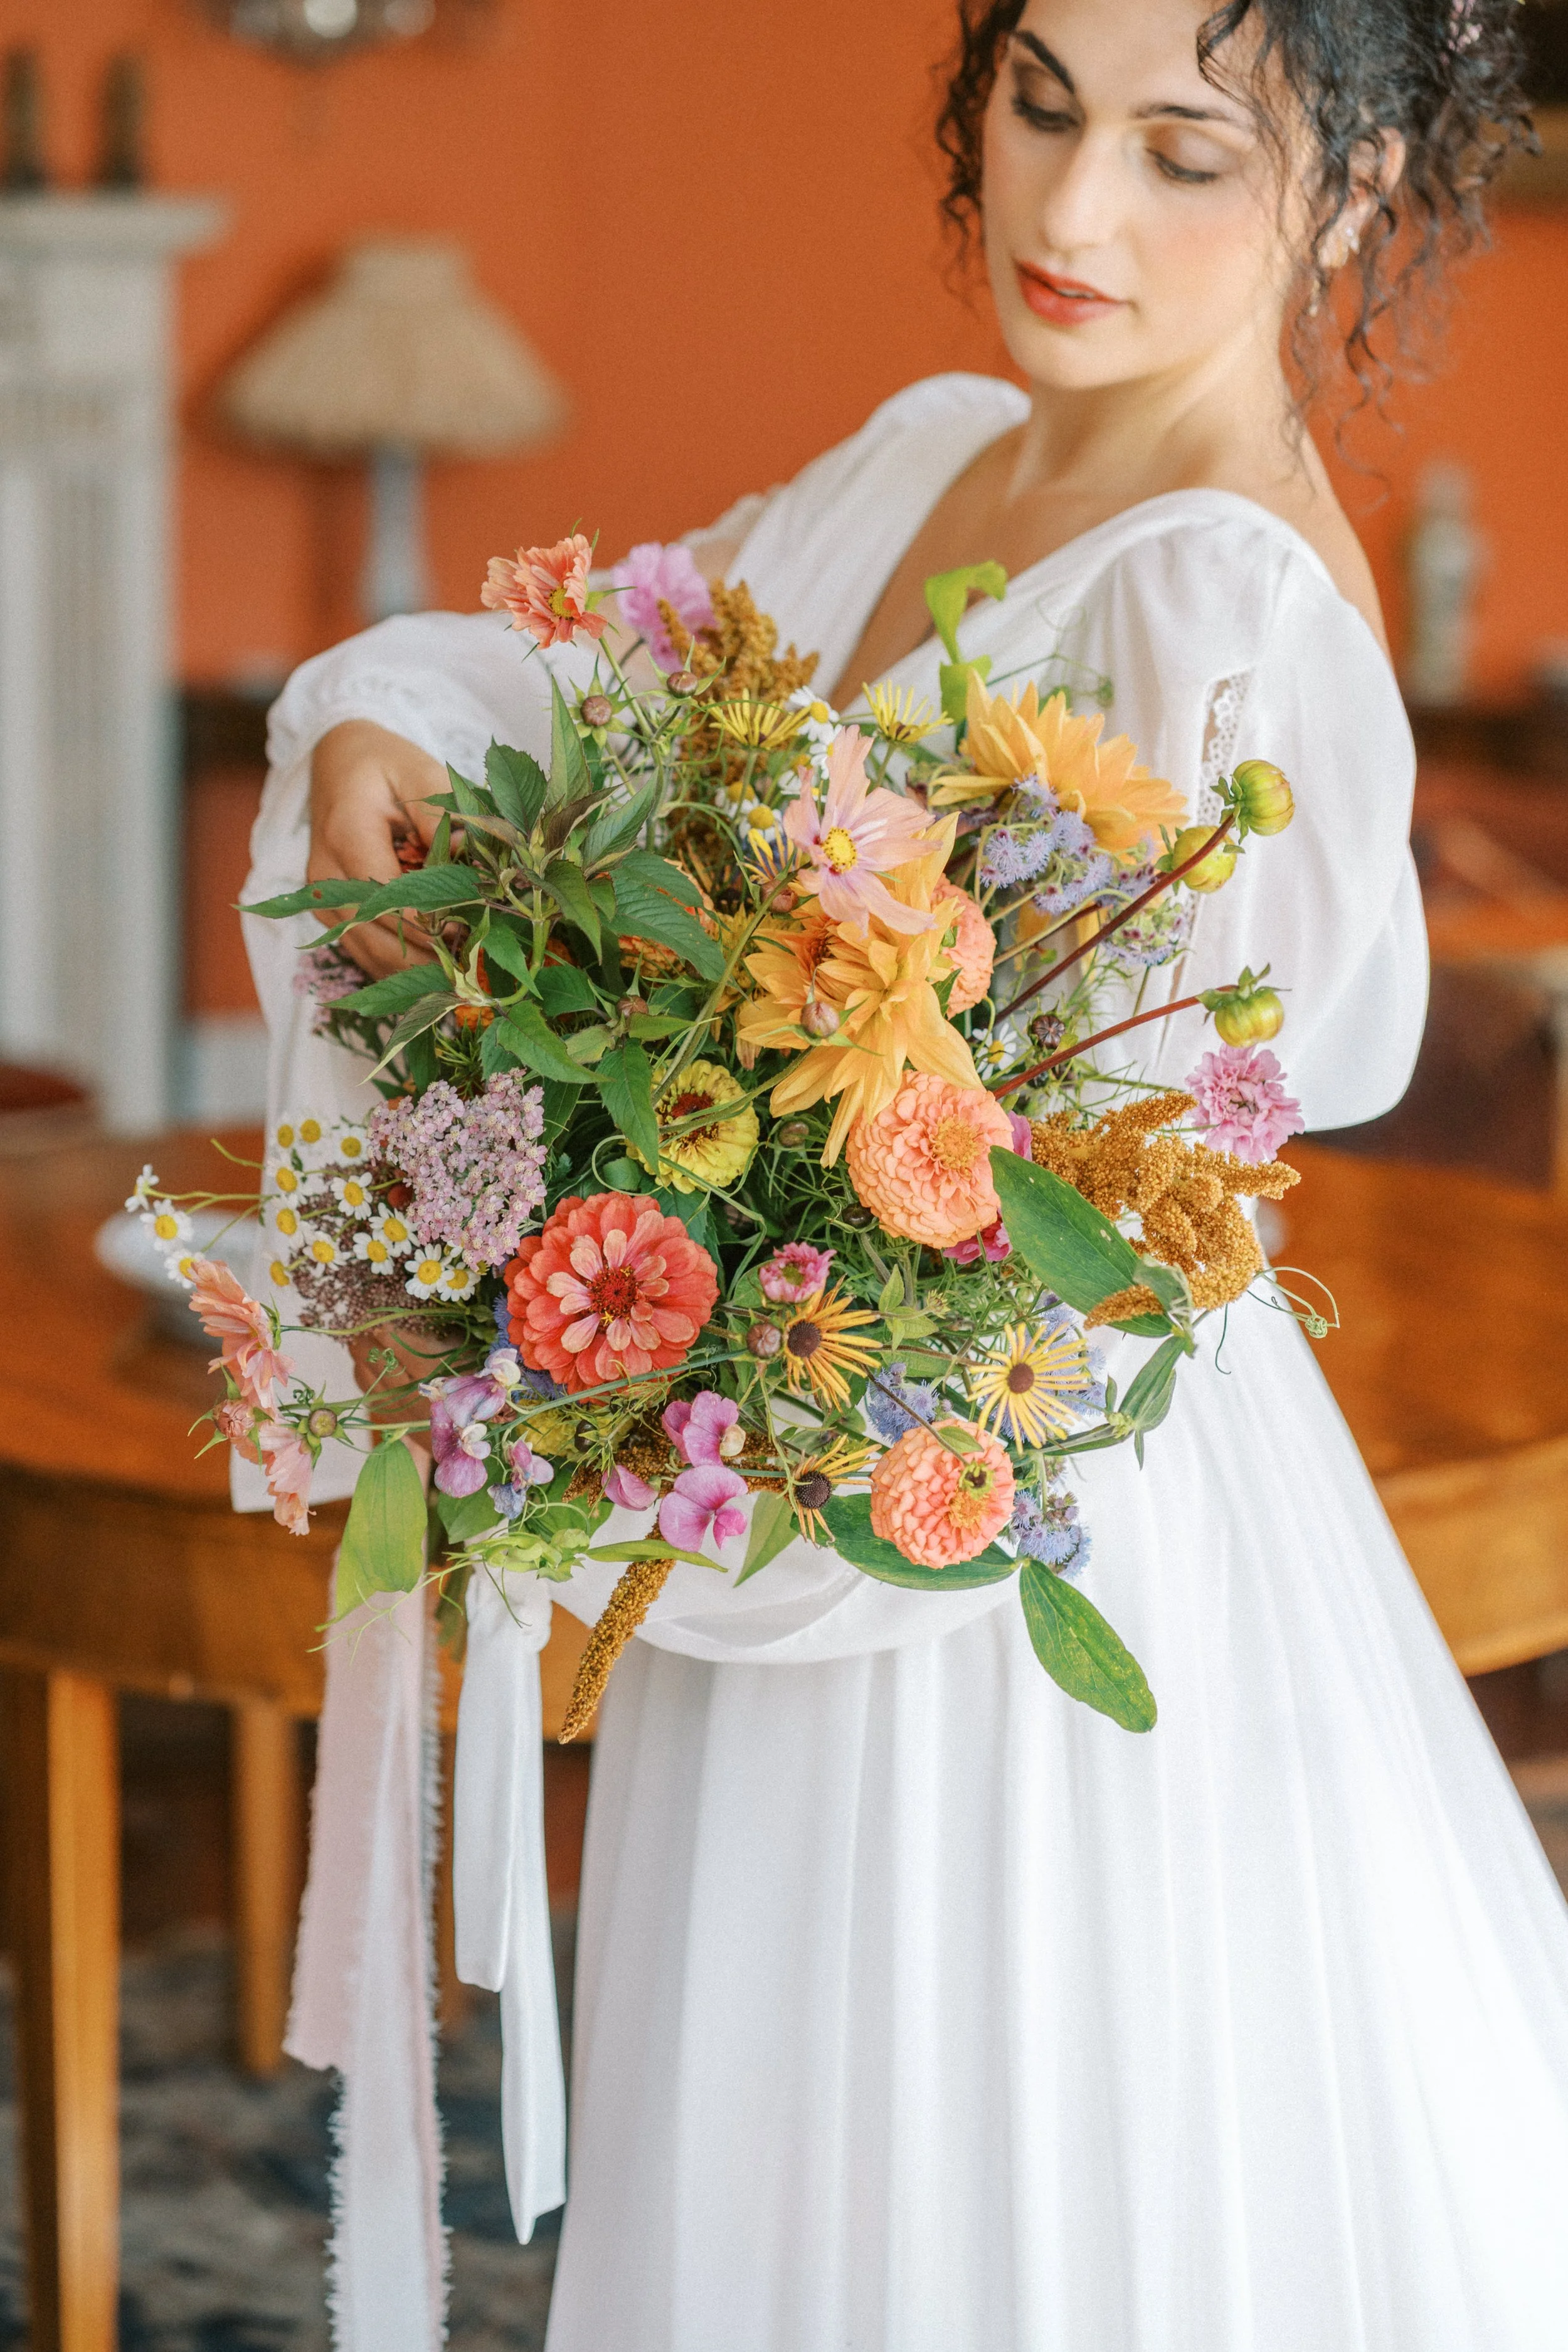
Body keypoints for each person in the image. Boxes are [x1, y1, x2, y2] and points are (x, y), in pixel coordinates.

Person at [248, 3, 1568, 2345]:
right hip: (781, 1473)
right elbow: (604, 677)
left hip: (1000, 1537)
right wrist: (386, 711)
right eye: (1038, 106)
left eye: (1183, 153)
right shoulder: (931, 447)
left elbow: (1108, 1240)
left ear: (1354, 190)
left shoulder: (1219, 613)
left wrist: (705, 1404)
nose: (1069, 214)